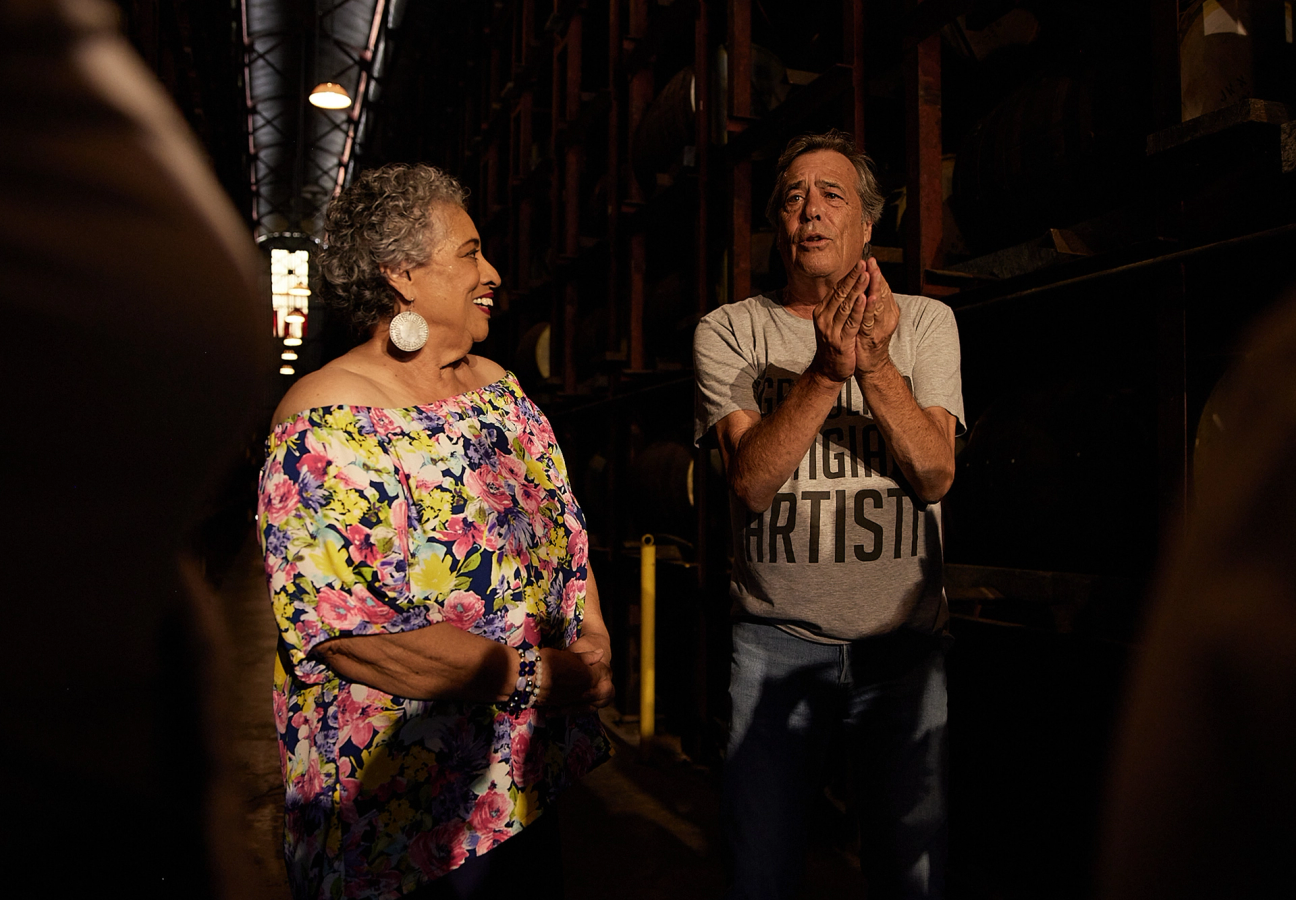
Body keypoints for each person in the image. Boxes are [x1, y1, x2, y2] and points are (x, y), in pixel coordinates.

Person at [258, 163, 614, 900]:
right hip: (403, 808)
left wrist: (593, 634)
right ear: (401, 274)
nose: (492, 271)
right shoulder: (327, 418)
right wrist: (534, 678)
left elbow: (565, 530)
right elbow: (350, 634)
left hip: (522, 776)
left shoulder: (499, 389)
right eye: (469, 252)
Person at [692, 131, 964, 900]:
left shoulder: (925, 324)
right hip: (776, 646)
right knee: (761, 872)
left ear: (868, 226)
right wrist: (824, 370)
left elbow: (936, 472)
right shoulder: (730, 331)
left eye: (831, 194)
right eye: (792, 196)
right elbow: (749, 483)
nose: (809, 210)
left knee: (911, 873)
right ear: (779, 226)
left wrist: (874, 363)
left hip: (903, 655)